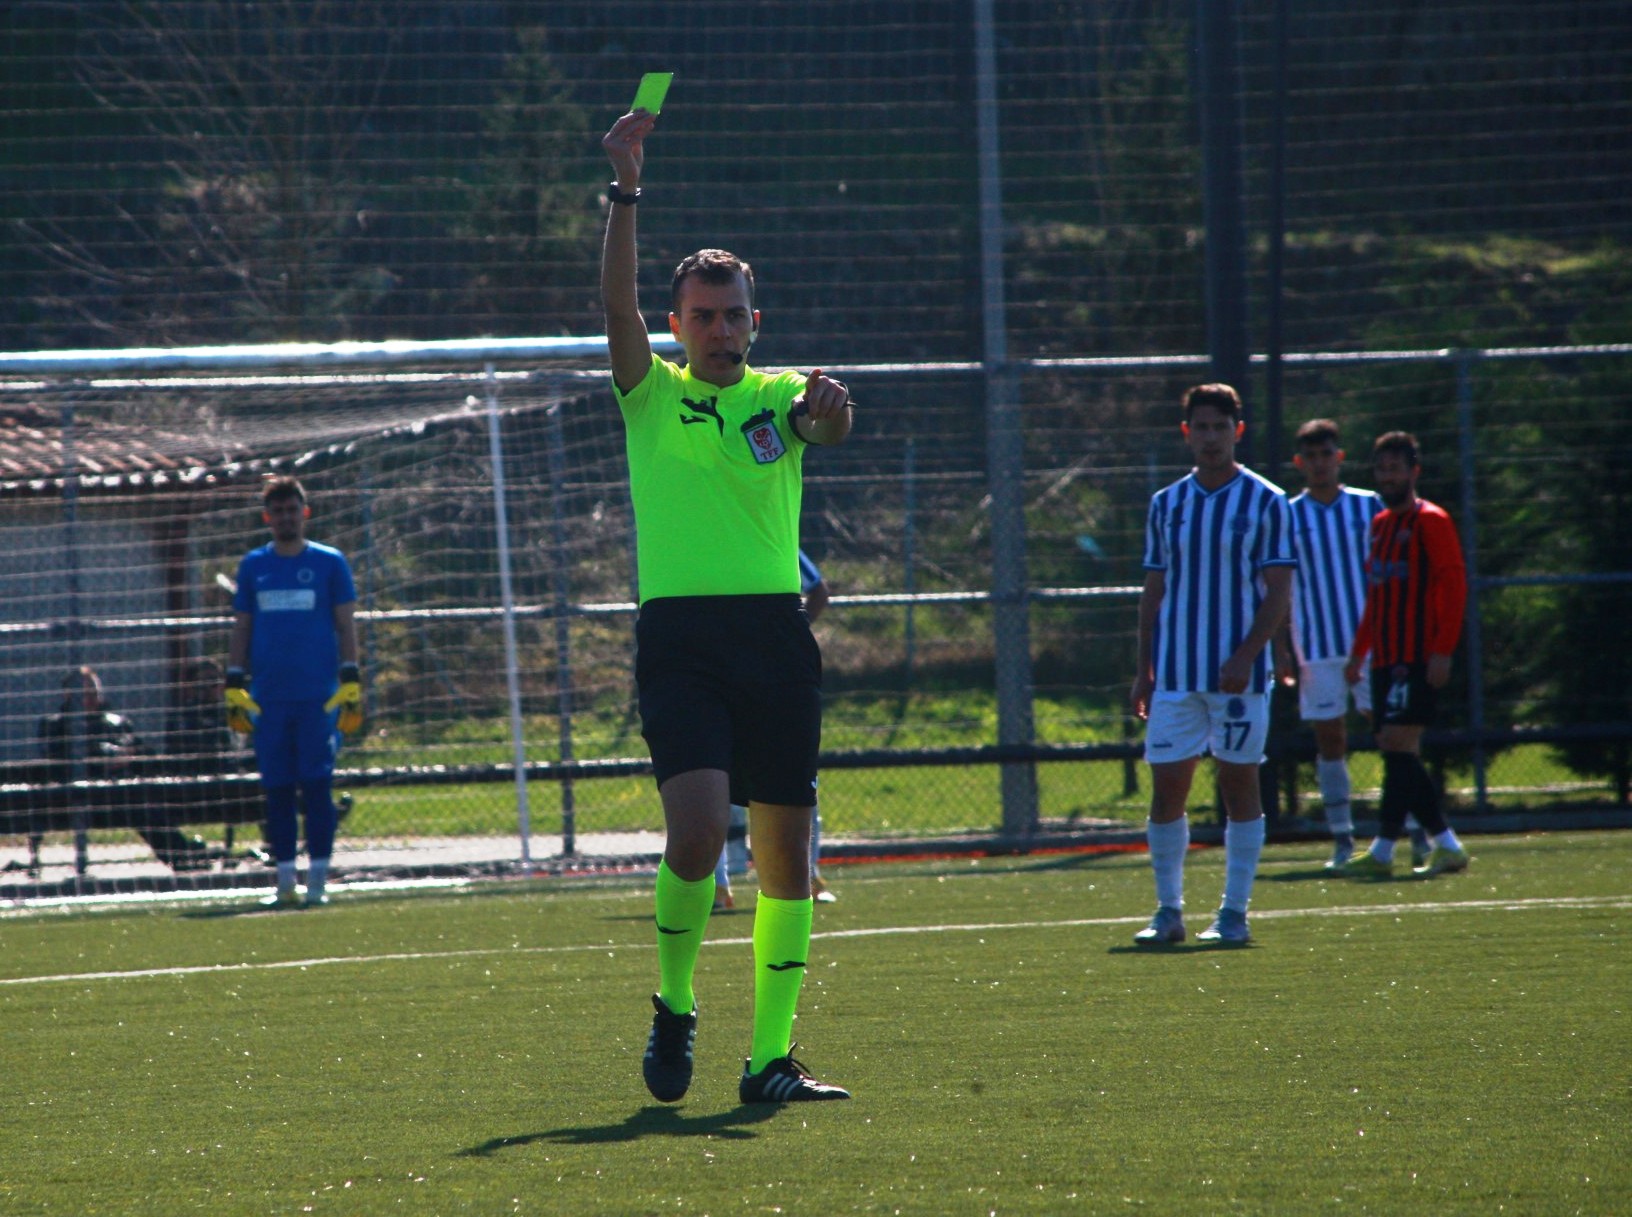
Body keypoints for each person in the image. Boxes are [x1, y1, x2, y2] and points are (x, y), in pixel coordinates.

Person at [602, 104, 853, 1103]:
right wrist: (625, 187)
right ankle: (673, 1002)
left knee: (788, 855)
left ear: (757, 318)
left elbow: (820, 420)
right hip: (682, 637)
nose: (719, 327)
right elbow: (614, 306)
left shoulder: (777, 393)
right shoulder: (650, 393)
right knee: (699, 832)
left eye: (734, 312)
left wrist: (830, 412)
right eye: (701, 314)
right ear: (676, 325)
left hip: (773, 635)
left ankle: (770, 1060)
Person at [1129, 383, 1294, 946]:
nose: (1210, 438)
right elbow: (1153, 591)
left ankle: (1234, 913)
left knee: (1239, 783)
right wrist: (1142, 669)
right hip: (1175, 674)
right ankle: (1168, 912)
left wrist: (1247, 655)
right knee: (1167, 789)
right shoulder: (1166, 504)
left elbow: (1278, 592)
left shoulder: (1268, 501)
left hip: (1239, 679)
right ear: (1186, 434)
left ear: (1237, 432)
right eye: (1200, 427)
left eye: (1220, 427)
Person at [1275, 419, 1431, 869]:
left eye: (1327, 455)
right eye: (1311, 457)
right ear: (1299, 463)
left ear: (1339, 458)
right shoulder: (1287, 515)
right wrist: (1282, 649)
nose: (1320, 464)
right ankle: (1343, 841)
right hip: (1316, 646)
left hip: (1375, 645)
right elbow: (1280, 587)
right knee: (1330, 740)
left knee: (1392, 736)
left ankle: (1418, 831)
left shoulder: (1370, 507)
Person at [228, 476, 363, 909]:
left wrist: (351, 679)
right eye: (278, 511)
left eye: (292, 510)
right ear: (268, 518)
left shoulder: (329, 562)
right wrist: (234, 682)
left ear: (305, 513)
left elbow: (346, 623)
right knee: (278, 791)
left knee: (318, 788)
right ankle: (284, 883)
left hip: (317, 698)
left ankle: (318, 883)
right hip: (269, 698)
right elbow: (243, 626)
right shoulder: (253, 566)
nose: (286, 517)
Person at [1340, 432, 1471, 877]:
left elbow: (1453, 586)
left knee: (1397, 745)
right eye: (1381, 469)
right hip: (1384, 659)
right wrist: (1359, 653)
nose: (1388, 477)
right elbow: (1376, 598)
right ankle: (1441, 845)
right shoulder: (1380, 526)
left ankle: (1384, 850)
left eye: (1396, 468)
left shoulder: (1431, 521)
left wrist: (1442, 650)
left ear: (1414, 472)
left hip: (1416, 655)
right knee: (1396, 749)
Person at [714, 549, 837, 911]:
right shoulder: (696, 533)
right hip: (714, 676)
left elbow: (819, 590)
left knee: (792, 781)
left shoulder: (770, 535)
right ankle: (717, 885)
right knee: (710, 777)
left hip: (772, 676)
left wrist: (789, 636)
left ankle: (808, 877)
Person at [38, 666, 212, 871]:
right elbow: (59, 763)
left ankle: (181, 856)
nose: (92, 698)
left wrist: (129, 756)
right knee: (137, 801)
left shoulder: (117, 723)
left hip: (125, 796)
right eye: (85, 694)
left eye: (95, 692)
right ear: (68, 696)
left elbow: (147, 754)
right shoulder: (56, 726)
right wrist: (102, 762)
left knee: (141, 800)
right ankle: (181, 853)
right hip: (78, 799)